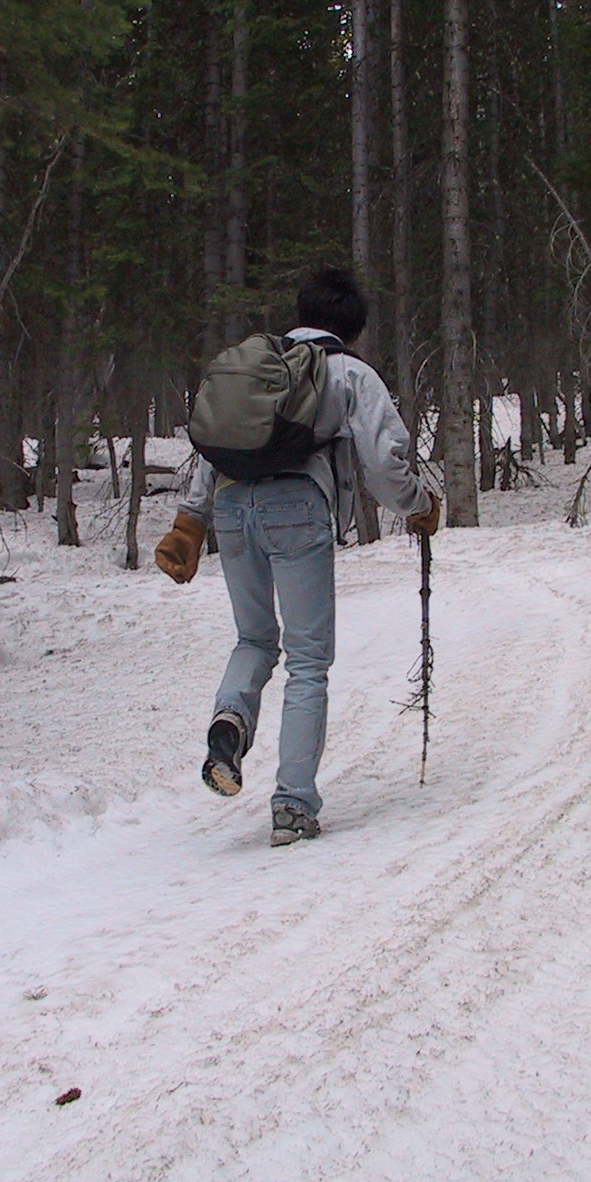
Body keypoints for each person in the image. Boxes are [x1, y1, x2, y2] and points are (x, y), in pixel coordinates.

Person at [154, 268, 442, 846]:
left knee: (254, 639)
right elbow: (383, 463)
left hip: (231, 506)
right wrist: (419, 505)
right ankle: (292, 804)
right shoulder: (350, 372)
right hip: (297, 510)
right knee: (307, 660)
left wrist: (190, 521)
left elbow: (219, 444)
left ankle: (231, 719)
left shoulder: (261, 366)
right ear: (353, 329)